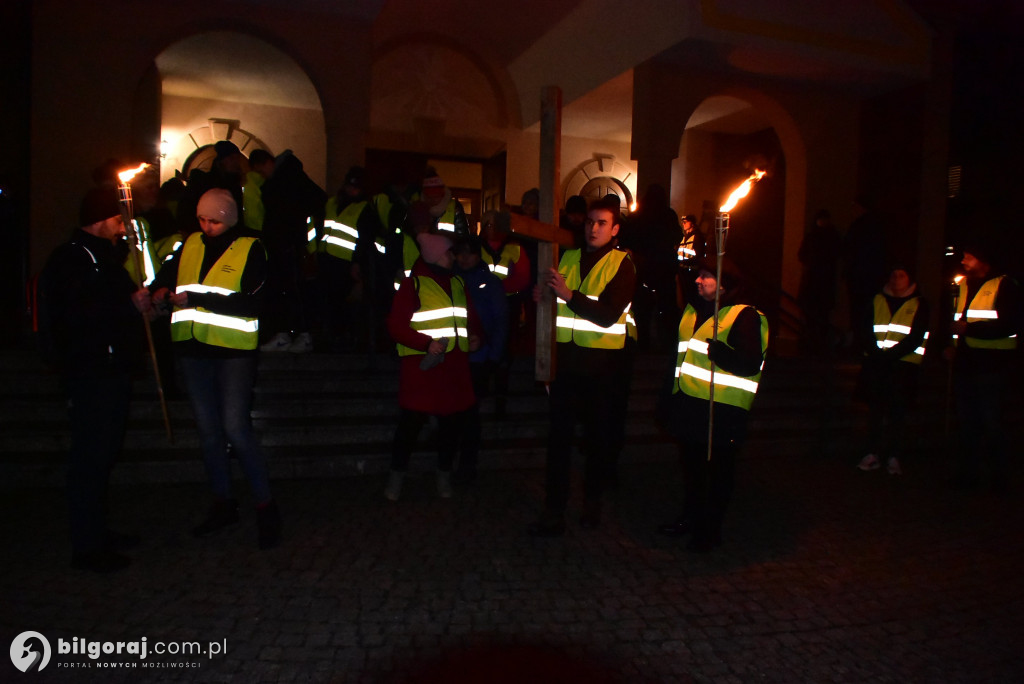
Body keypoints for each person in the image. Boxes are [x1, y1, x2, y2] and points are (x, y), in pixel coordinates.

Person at [137, 188, 282, 549]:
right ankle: (222, 502)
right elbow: (166, 278)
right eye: (202, 219)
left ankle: (265, 507)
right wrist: (156, 292)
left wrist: (198, 297)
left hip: (232, 352)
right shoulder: (190, 244)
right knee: (208, 431)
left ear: (229, 218)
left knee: (235, 427)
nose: (207, 226)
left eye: (214, 220)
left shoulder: (251, 247)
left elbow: (253, 302)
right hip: (192, 349)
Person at [38, 186, 148, 572]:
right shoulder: (72, 259)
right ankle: (87, 546)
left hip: (109, 369)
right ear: (102, 220)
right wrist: (127, 305)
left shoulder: (100, 257)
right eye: (119, 221)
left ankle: (98, 530)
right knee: (90, 456)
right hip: (90, 373)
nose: (123, 228)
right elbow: (78, 316)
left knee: (104, 454)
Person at [528, 197, 637, 536]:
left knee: (596, 439)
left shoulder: (623, 264)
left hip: (602, 367)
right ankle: (554, 508)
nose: (593, 228)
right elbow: (555, 303)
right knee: (558, 439)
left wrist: (568, 294)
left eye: (602, 222)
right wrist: (541, 298)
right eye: (590, 221)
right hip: (566, 365)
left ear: (615, 229)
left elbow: (606, 314)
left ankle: (592, 503)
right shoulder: (568, 257)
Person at [657, 258, 768, 551]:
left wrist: (723, 354)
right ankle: (691, 518)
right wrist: (668, 399)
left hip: (723, 410)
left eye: (705, 276)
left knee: (718, 473)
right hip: (690, 404)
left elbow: (749, 361)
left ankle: (710, 530)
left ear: (723, 284)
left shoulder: (744, 315)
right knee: (692, 469)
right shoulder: (693, 311)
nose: (697, 280)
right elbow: (678, 358)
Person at [385, 231, 482, 500]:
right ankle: (396, 480)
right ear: (438, 255)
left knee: (450, 428)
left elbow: (470, 319)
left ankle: (443, 477)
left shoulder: (458, 283)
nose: (454, 256)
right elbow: (395, 326)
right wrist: (425, 343)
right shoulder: (413, 285)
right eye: (450, 251)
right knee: (410, 427)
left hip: (453, 370)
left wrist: (476, 336)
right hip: (423, 370)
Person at [946, 239, 1021, 491]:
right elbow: (956, 319)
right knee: (967, 422)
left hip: (993, 365)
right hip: (965, 363)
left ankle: (999, 477)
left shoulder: (1005, 285)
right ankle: (969, 474)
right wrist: (949, 345)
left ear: (984, 260)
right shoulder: (963, 285)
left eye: (969, 257)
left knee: (992, 422)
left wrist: (971, 330)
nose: (964, 261)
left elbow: (1011, 324)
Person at [855, 265, 929, 475]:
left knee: (897, 413)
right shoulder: (876, 300)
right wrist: (877, 353)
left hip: (902, 367)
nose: (897, 279)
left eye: (902, 275)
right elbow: (866, 329)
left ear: (910, 279)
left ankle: (893, 455)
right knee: (875, 412)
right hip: (877, 366)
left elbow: (916, 335)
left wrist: (889, 355)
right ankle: (872, 453)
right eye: (894, 275)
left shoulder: (919, 304)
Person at [453, 235, 509, 484]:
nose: (464, 258)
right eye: (460, 252)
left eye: (470, 253)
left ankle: (467, 464)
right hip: (453, 357)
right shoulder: (449, 278)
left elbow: (500, 322)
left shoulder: (490, 282)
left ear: (478, 255)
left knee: (470, 414)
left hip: (479, 358)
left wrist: (493, 357)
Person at [258, 150, 326, 353]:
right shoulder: (294, 179)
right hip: (291, 245)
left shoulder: (282, 183)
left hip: (285, 245)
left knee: (288, 291)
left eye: (262, 171)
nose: (263, 175)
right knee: (292, 291)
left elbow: (280, 215)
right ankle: (293, 334)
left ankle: (292, 335)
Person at [316, 165, 380, 352]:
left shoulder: (364, 209)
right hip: (327, 258)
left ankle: (343, 337)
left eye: (356, 187)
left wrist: (357, 263)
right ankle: (332, 335)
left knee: (343, 302)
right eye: (350, 185)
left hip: (345, 262)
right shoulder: (332, 203)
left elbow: (365, 239)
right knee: (328, 300)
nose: (352, 190)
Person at [797, 209, 842, 355]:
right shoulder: (828, 237)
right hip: (818, 282)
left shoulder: (822, 237)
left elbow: (802, 255)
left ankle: (816, 343)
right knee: (815, 314)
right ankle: (814, 342)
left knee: (819, 314)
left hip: (818, 282)